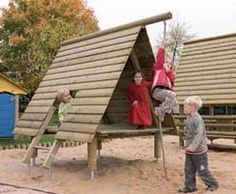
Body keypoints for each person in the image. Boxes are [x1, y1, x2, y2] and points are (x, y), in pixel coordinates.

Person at [178, 96, 219, 193]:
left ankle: (212, 183)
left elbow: (199, 135)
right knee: (189, 169)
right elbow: (189, 133)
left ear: (193, 107)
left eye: (186, 106)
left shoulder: (198, 119)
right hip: (190, 151)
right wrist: (188, 144)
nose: (184, 108)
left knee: (202, 169)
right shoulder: (188, 118)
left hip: (199, 151)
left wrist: (193, 146)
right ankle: (190, 187)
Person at [151, 42, 179, 122]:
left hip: (166, 94)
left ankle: (161, 111)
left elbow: (173, 79)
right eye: (167, 62)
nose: (168, 64)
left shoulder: (169, 74)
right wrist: (162, 48)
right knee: (172, 94)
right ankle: (161, 110)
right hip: (158, 91)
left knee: (175, 102)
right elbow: (160, 59)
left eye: (170, 64)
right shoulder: (159, 68)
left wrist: (168, 71)